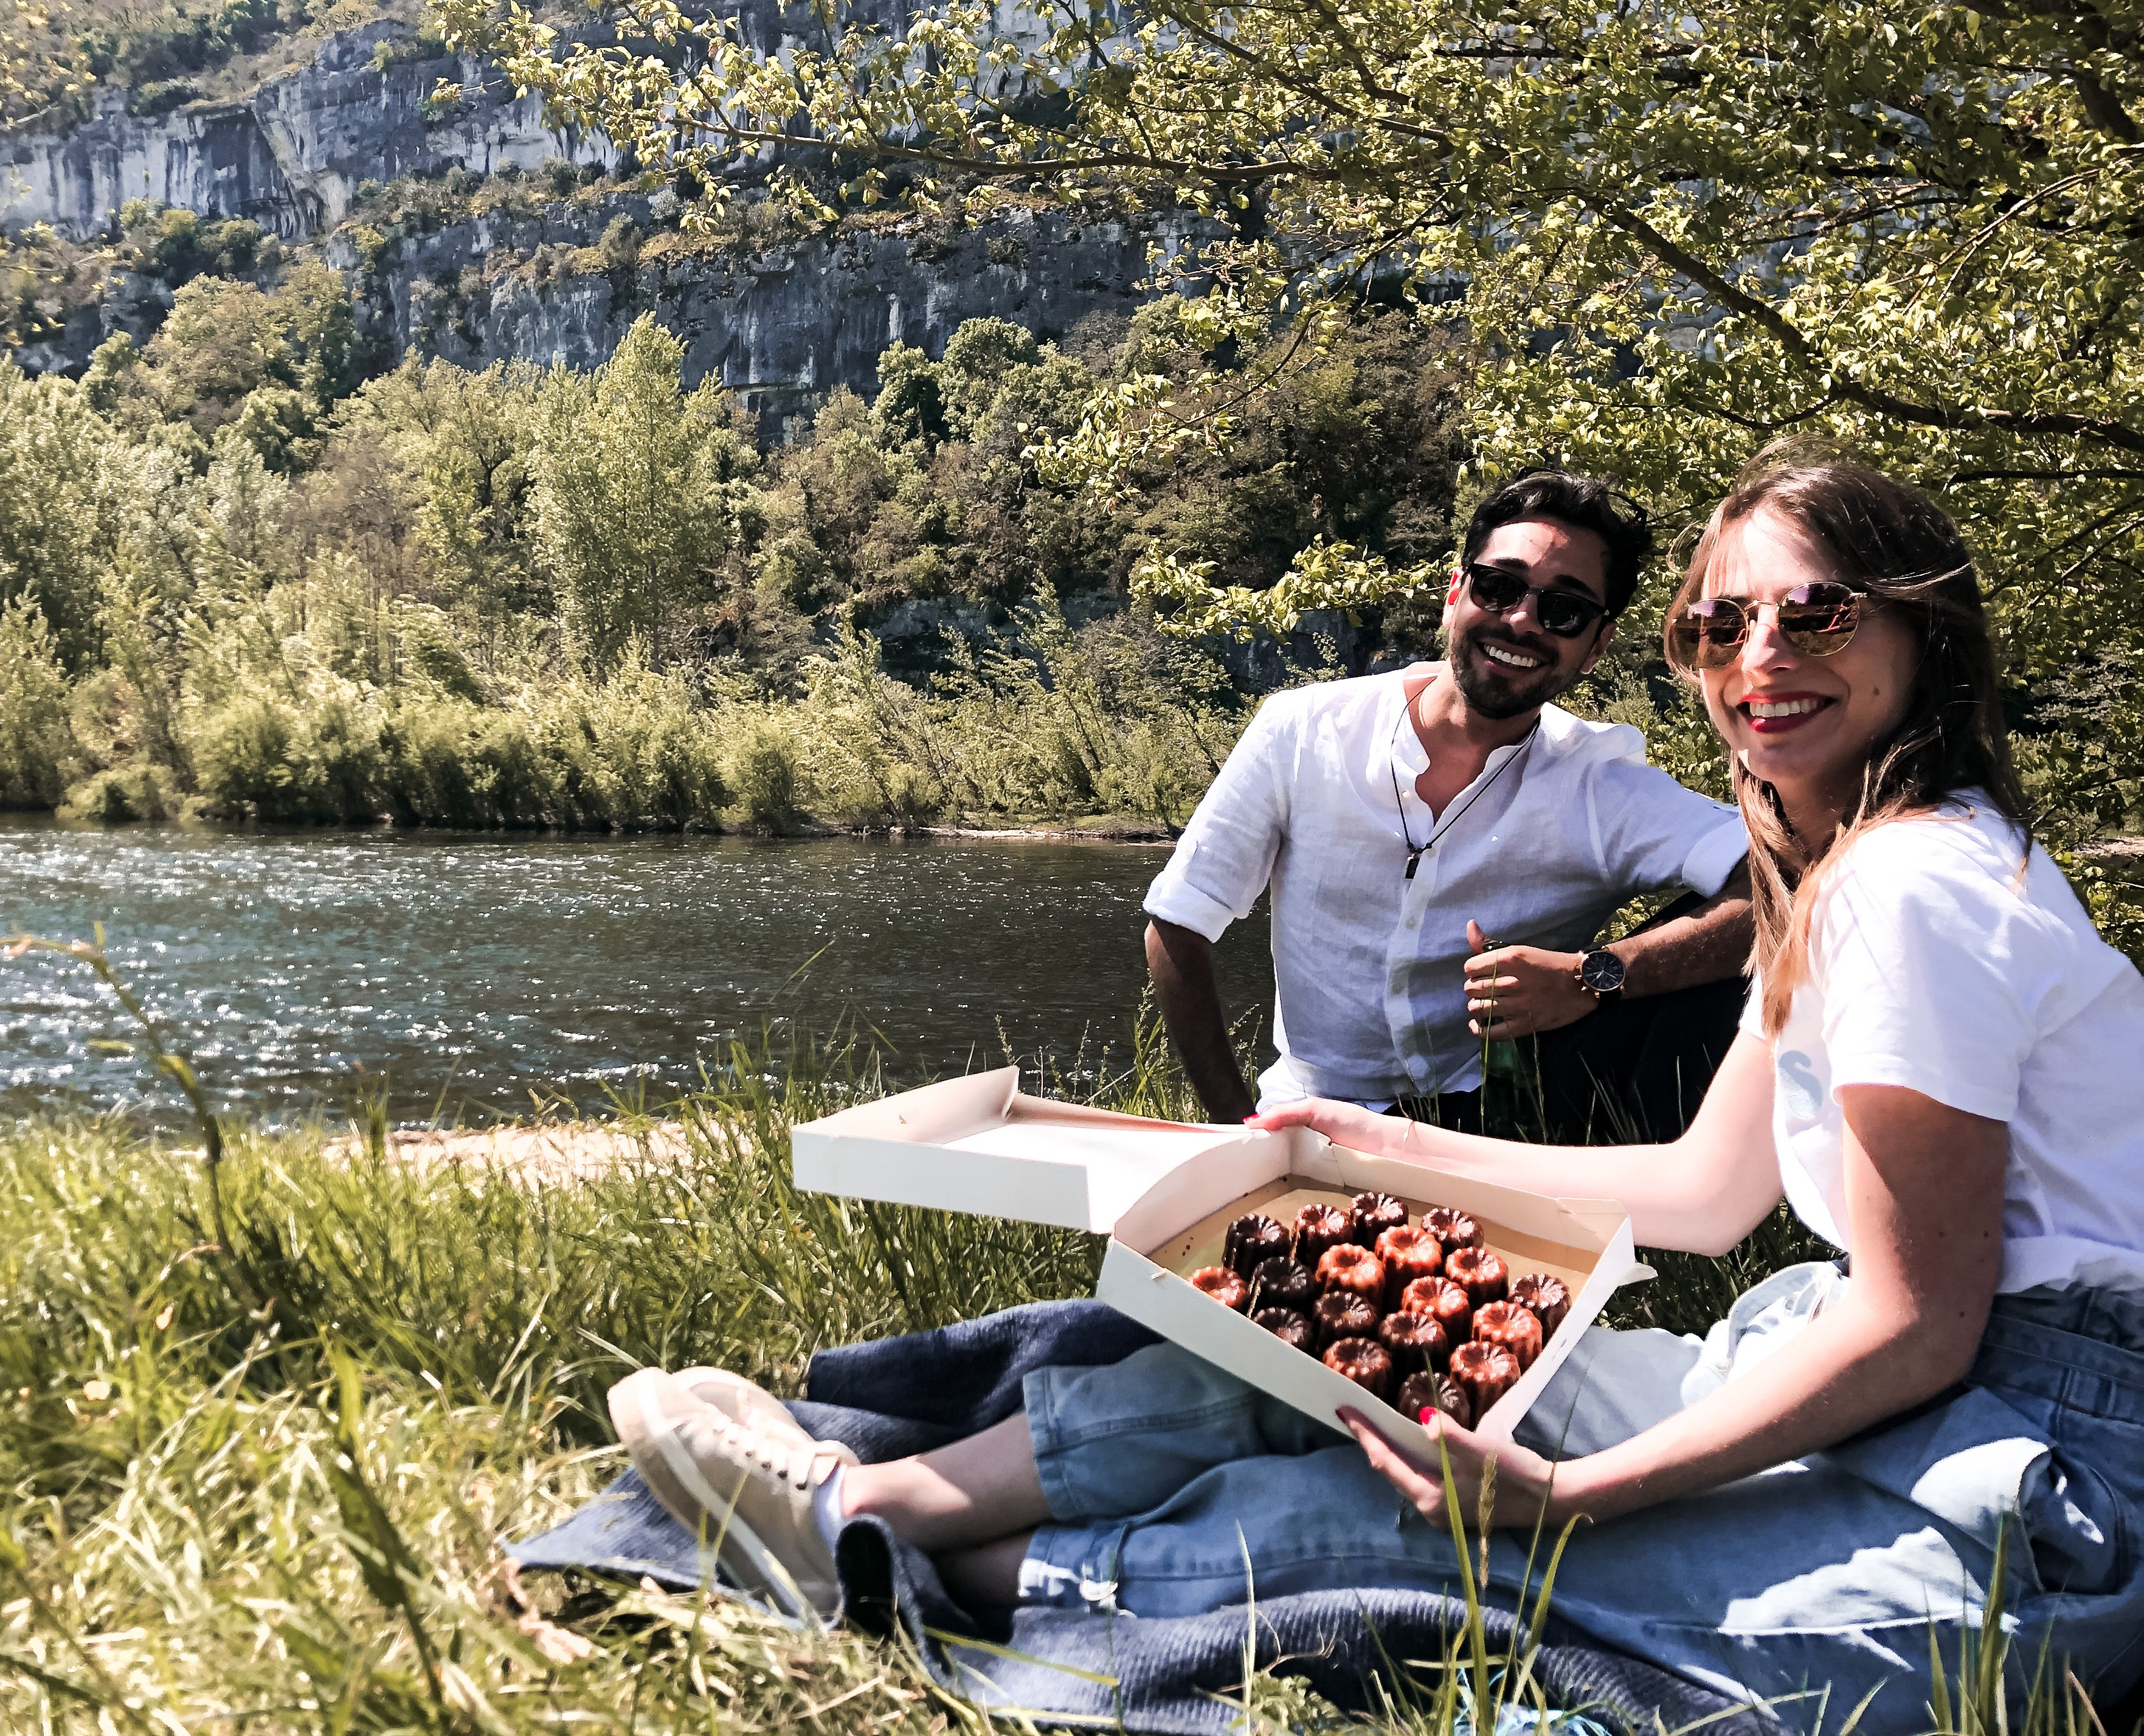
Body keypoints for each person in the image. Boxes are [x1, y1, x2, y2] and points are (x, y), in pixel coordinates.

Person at [609, 451, 2144, 1726]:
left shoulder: (1911, 888)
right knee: (1336, 1363)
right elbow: (1708, 1192)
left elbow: (1918, 1323)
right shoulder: (1837, 870)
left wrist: (1568, 1495)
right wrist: (1365, 1140)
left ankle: (862, 1556)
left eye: (1815, 615)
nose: (1760, 663)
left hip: (2031, 1484)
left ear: (1923, 633)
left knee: (1389, 1535)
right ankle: (886, 1501)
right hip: (1896, 1388)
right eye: (1720, 624)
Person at [1146, 471, 1751, 1143]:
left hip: (1503, 1120)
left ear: (1596, 648)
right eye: (1500, 586)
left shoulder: (1598, 785)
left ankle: (1661, 1204)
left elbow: (1786, 888)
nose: (1522, 620)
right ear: (1456, 594)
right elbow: (1178, 923)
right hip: (1313, 1111)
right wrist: (1243, 1132)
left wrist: (1593, 977)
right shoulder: (1304, 731)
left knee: (1738, 971)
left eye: (1565, 610)